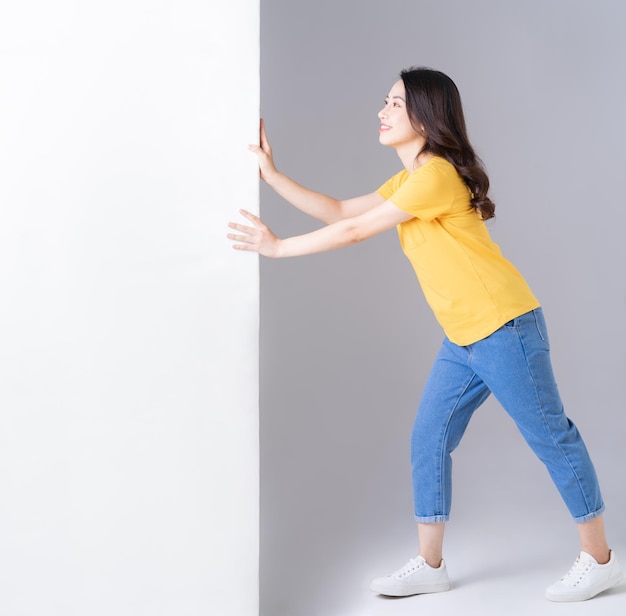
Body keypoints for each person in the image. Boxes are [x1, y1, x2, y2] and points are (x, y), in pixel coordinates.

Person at [227, 67, 623, 602]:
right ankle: (430, 565)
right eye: (384, 102)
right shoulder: (412, 180)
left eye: (394, 103)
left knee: (552, 437)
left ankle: (600, 561)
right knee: (429, 439)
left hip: (505, 328)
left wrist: (277, 248)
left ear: (424, 114)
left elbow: (352, 231)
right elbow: (342, 209)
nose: (382, 112)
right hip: (463, 339)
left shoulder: (436, 175)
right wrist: (272, 176)